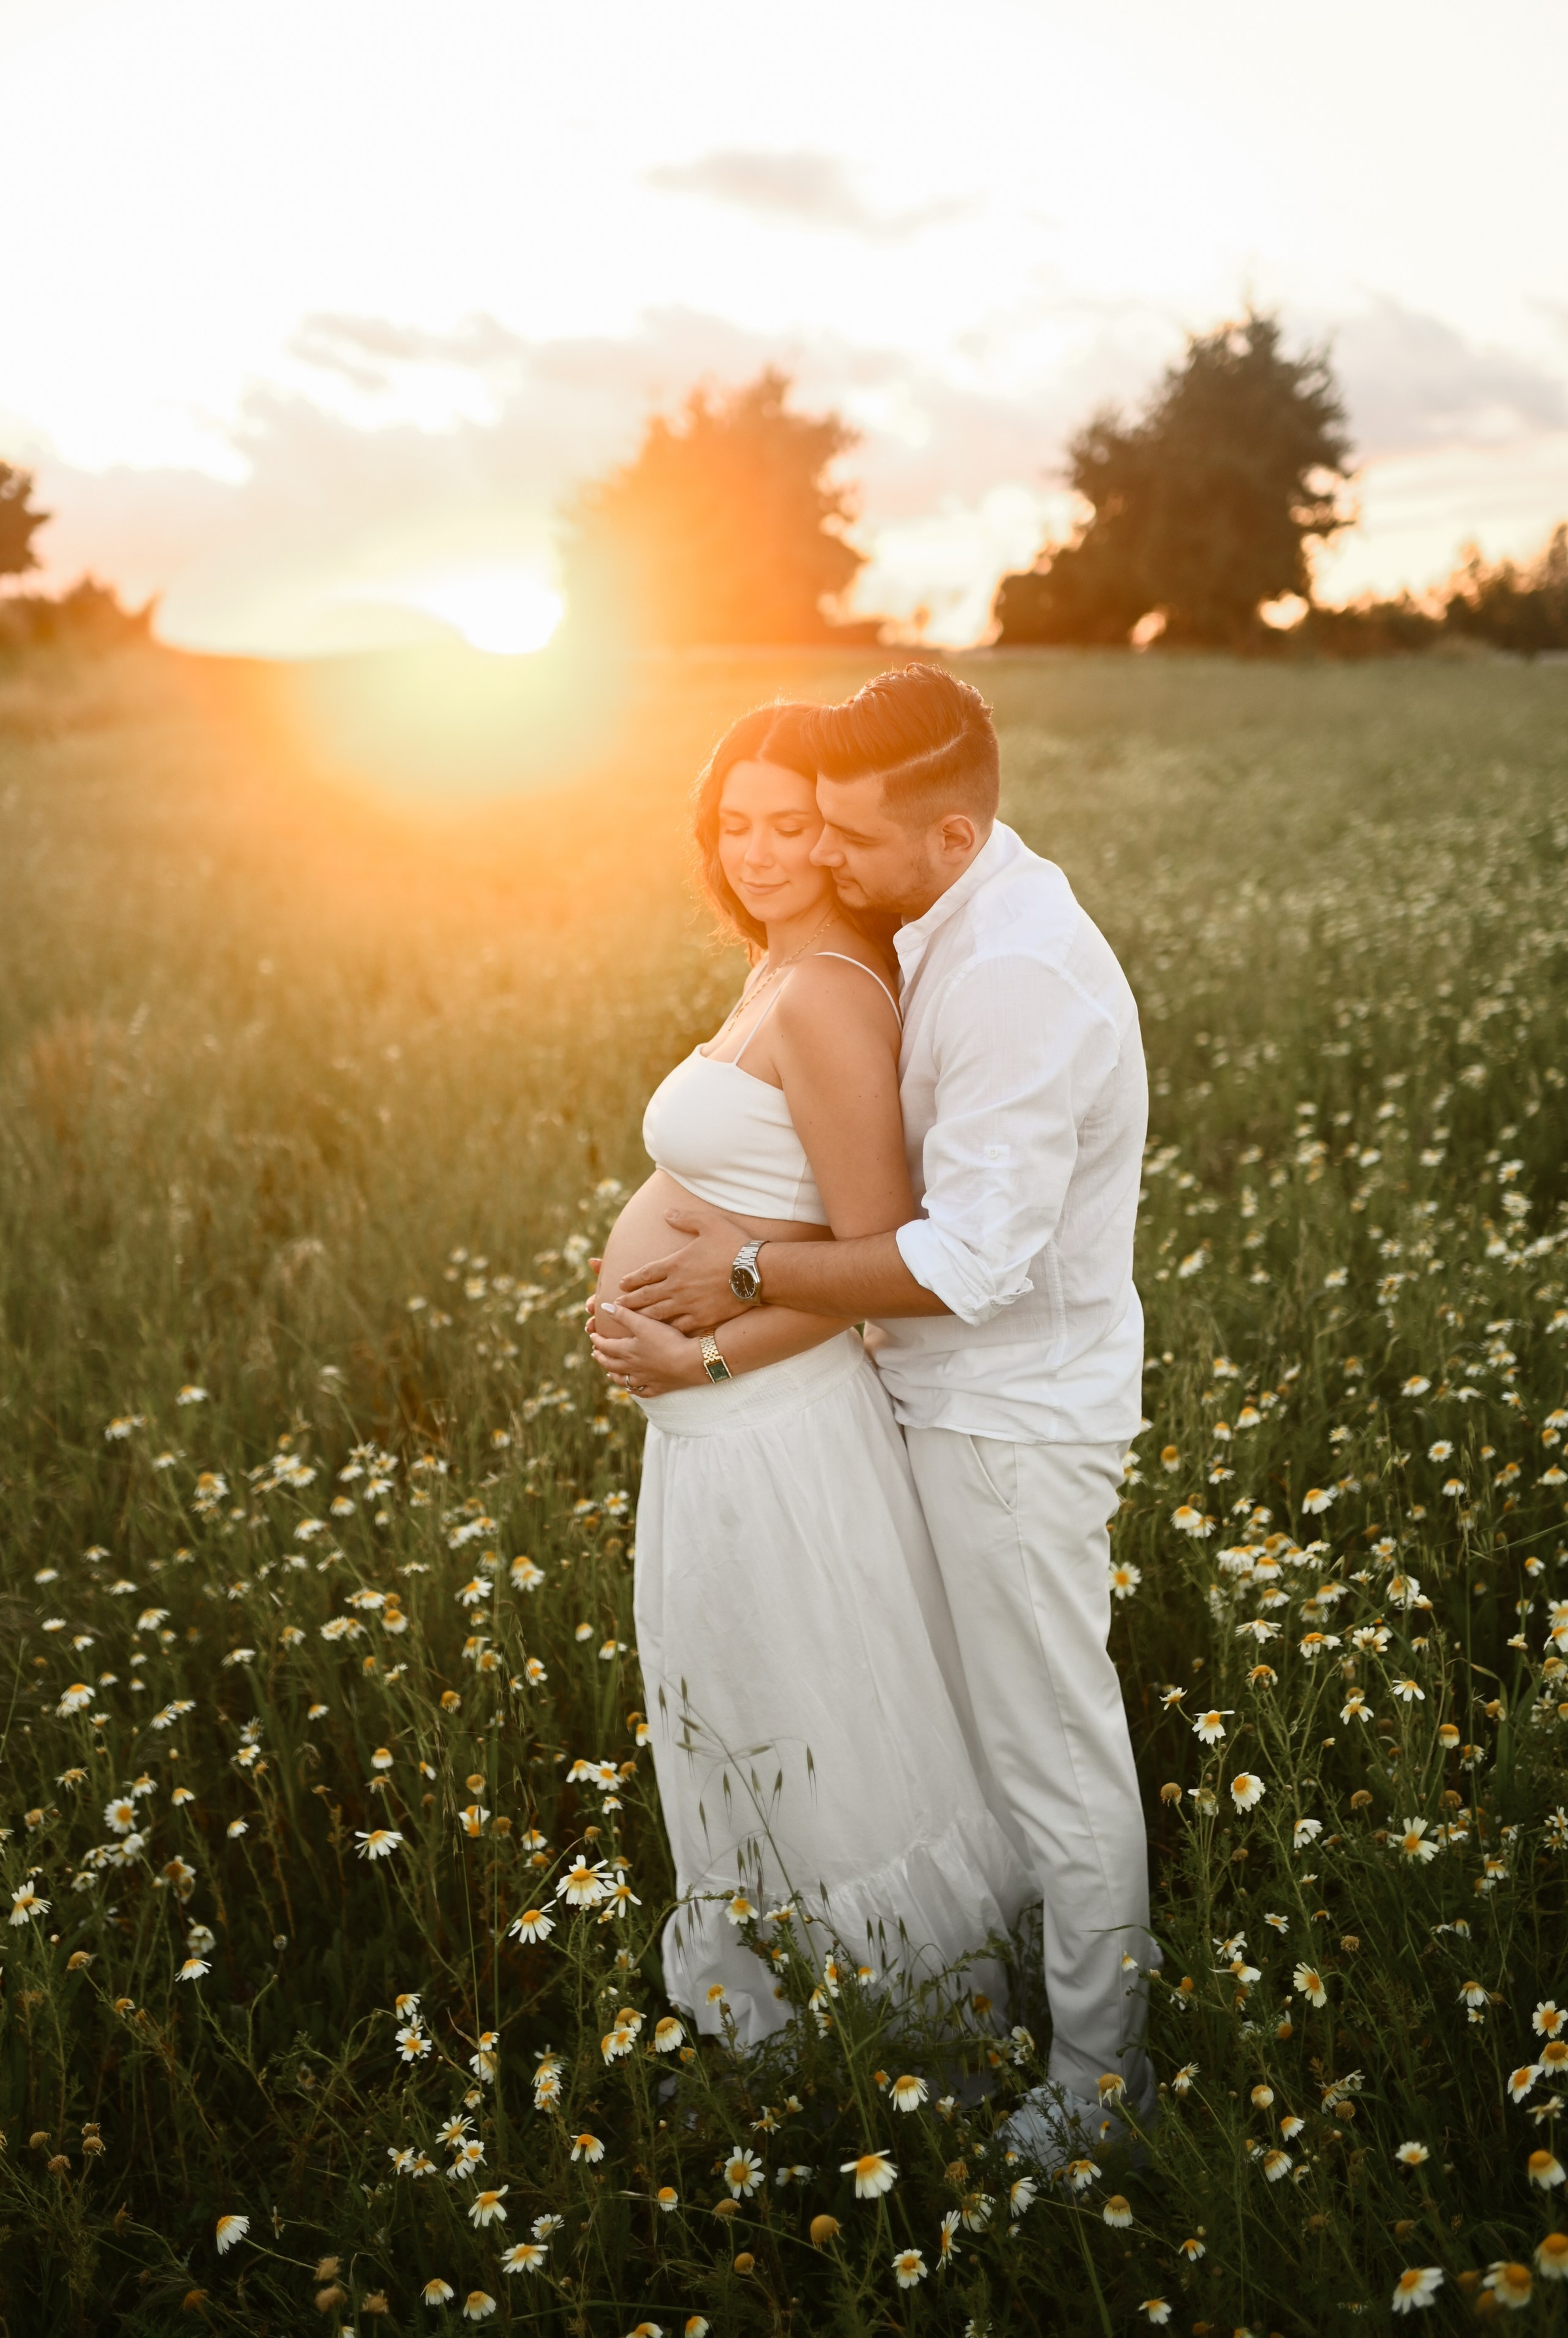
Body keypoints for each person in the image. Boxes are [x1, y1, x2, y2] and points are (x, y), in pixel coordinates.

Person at [613, 661, 1155, 2156]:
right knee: (932, 1729)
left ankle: (1097, 2089)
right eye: (777, 825)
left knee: (1048, 1751)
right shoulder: (941, 930)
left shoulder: (1012, 978)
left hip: (1007, 1418)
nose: (820, 862)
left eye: (840, 834)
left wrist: (734, 1285)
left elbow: (963, 1259)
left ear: (951, 835)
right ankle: (915, 2007)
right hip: (924, 1397)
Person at [588, 699, 1030, 2048]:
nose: (760, 852)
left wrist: (705, 1346)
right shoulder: (775, 972)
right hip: (720, 1432)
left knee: (826, 1736)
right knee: (753, 1721)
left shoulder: (831, 991)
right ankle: (786, 2030)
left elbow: (875, 1262)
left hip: (775, 1429)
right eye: (736, 825)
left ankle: (911, 2041)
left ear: (837, 839)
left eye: (790, 826)